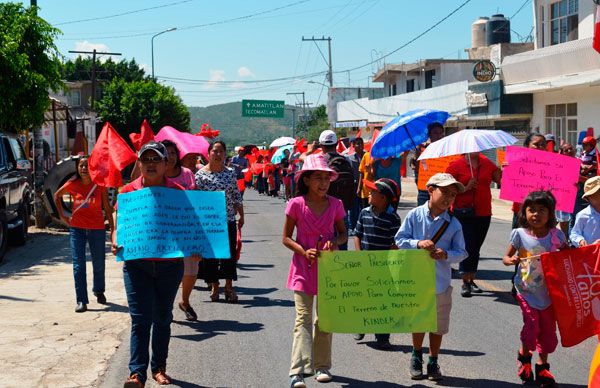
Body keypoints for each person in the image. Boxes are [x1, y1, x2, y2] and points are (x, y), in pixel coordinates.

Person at [112, 141, 195, 387]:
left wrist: (196, 245)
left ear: (165, 163)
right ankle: (137, 374)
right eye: (145, 159)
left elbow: (190, 227)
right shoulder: (128, 192)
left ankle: (159, 367)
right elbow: (118, 228)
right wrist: (116, 242)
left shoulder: (178, 193)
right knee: (140, 319)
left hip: (170, 267)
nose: (150, 164)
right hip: (137, 266)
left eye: (155, 159)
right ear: (139, 163)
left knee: (162, 317)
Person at [283, 153, 347, 388]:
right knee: (303, 319)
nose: (323, 183)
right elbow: (286, 238)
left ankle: (322, 366)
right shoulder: (296, 204)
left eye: (326, 178)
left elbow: (343, 233)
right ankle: (297, 371)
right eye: (318, 178)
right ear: (307, 180)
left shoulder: (336, 204)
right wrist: (303, 251)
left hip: (328, 270)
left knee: (324, 320)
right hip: (302, 268)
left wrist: (336, 242)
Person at [395, 173, 467, 381]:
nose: (448, 198)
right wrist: (418, 243)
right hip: (416, 280)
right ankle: (416, 354)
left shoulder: (454, 224)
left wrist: (446, 255)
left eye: (452, 195)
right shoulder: (414, 215)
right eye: (444, 192)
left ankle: (433, 359)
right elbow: (400, 239)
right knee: (418, 320)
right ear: (430, 190)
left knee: (438, 324)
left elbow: (462, 252)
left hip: (441, 283)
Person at [502, 190, 567, 386]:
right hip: (526, 290)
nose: (536, 214)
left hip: (550, 294)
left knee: (547, 334)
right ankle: (524, 359)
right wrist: (510, 260)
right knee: (531, 328)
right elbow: (505, 258)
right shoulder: (519, 234)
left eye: (541, 210)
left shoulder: (557, 236)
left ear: (550, 214)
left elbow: (568, 258)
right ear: (524, 212)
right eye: (531, 210)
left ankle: (542, 367)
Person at [54, 156, 114, 313]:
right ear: (77, 168)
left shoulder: (99, 185)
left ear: (92, 168)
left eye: (87, 166)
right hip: (77, 229)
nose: (83, 168)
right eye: (81, 166)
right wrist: (62, 216)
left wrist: (113, 229)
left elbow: (107, 208)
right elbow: (57, 196)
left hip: (97, 229)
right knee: (79, 265)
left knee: (99, 262)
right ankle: (81, 300)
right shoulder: (72, 184)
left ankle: (99, 290)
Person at [352, 178, 401, 350]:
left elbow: (395, 244)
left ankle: (383, 336)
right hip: (365, 264)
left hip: (384, 268)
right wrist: (360, 256)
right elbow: (357, 234)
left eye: (373, 192)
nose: (369, 194)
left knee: (383, 301)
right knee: (364, 298)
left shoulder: (393, 218)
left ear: (384, 198)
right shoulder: (364, 212)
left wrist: (386, 262)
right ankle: (361, 325)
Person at [446, 151, 502, 297]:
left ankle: (471, 279)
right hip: (463, 213)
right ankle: (465, 281)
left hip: (483, 212)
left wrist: (505, 169)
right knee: (468, 245)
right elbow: (447, 190)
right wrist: (465, 187)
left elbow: (501, 181)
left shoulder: (487, 164)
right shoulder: (455, 165)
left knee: (476, 247)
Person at [196, 140, 244, 303]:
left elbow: (236, 194)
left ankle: (229, 287)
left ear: (225, 154)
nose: (218, 154)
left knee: (229, 255)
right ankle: (215, 285)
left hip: (228, 220)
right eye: (214, 151)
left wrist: (242, 215)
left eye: (221, 151)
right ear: (208, 154)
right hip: (208, 224)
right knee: (210, 256)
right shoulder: (200, 175)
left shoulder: (230, 173)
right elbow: (197, 200)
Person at [160, 140, 200, 321]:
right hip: (163, 233)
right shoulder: (156, 175)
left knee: (191, 271)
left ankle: (185, 301)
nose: (170, 156)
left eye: (173, 153)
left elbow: (197, 201)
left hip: (187, 230)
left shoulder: (188, 174)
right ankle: (165, 307)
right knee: (167, 273)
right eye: (165, 153)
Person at [319, 129, 356, 251]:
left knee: (324, 246)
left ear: (321, 146)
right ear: (336, 145)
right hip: (343, 209)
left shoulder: (320, 161)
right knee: (341, 243)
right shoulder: (346, 160)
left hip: (324, 211)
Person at [511, 133, 547, 229]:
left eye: (543, 144)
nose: (540, 147)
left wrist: (571, 186)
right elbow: (507, 186)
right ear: (527, 146)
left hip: (543, 212)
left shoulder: (553, 166)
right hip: (521, 210)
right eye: (536, 144)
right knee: (519, 242)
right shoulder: (516, 163)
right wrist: (506, 172)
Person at [411, 122, 446, 206]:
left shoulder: (446, 149)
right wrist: (419, 157)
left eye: (441, 133)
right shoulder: (422, 149)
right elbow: (417, 170)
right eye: (435, 133)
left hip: (442, 188)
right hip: (424, 189)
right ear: (429, 134)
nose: (439, 136)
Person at [570, 176, 600, 246]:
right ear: (588, 198)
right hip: (592, 253)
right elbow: (574, 233)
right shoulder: (583, 215)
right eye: (598, 194)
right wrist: (580, 240)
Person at [555, 143, 576, 236]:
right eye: (566, 150)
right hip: (562, 196)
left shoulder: (578, 161)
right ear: (562, 153)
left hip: (575, 197)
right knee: (563, 221)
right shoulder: (558, 163)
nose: (569, 151)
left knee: (571, 221)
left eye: (571, 149)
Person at [346, 137, 365, 232]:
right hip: (354, 187)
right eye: (358, 144)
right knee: (353, 209)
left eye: (361, 144)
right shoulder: (349, 158)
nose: (360, 146)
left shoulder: (367, 156)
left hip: (366, 187)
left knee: (364, 208)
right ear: (353, 146)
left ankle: (363, 227)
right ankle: (353, 227)